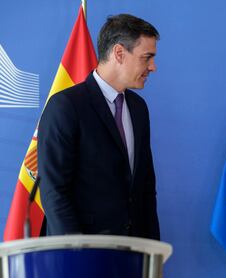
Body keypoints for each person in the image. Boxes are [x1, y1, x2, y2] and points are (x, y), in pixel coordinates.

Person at [38, 14, 160, 240]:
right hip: (83, 256)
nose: (153, 67)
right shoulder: (66, 106)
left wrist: (153, 253)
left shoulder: (139, 108)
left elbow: (145, 187)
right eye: (147, 57)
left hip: (134, 255)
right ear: (119, 53)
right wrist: (78, 253)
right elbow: (54, 192)